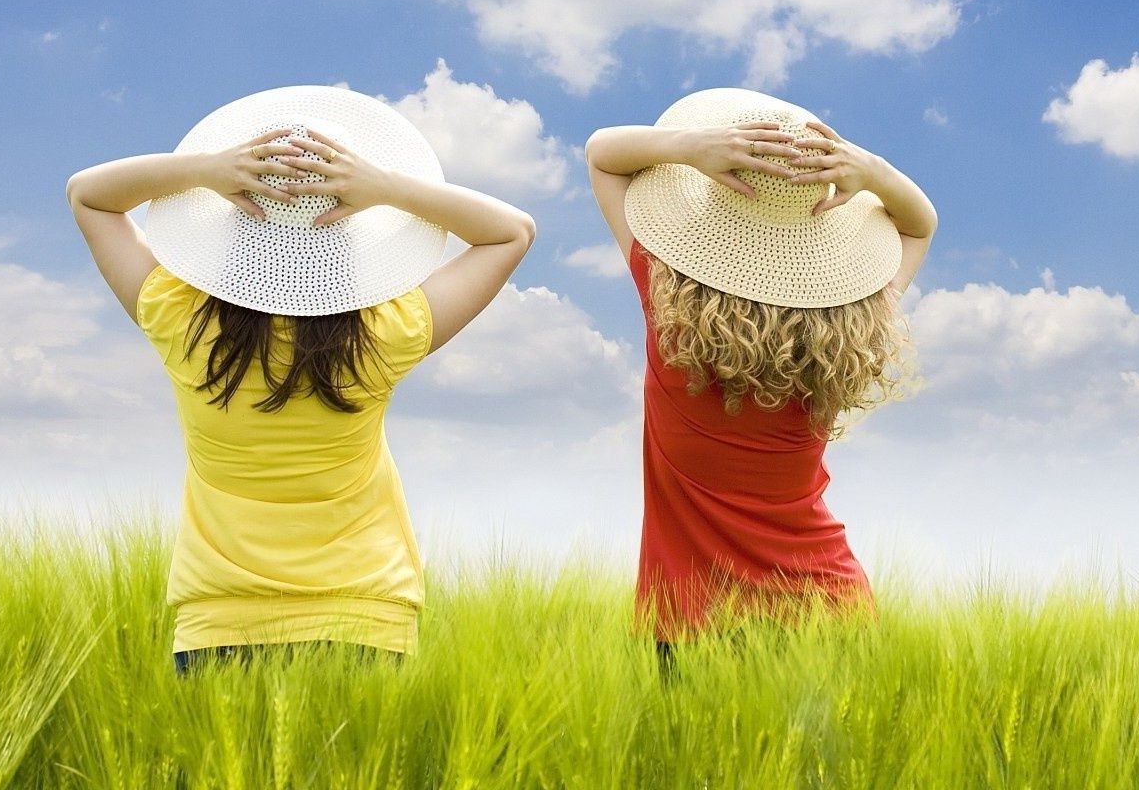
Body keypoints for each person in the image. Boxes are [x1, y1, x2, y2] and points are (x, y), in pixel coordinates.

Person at [66, 85, 535, 672]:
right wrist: (386, 187)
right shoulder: (385, 332)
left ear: (234, 232)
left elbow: (88, 197)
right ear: (346, 241)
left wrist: (207, 170)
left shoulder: (178, 319)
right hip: (366, 618)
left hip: (218, 622)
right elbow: (511, 231)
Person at [585, 87, 936, 669]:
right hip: (829, 610)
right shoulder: (853, 323)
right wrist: (869, 169)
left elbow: (602, 153)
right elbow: (919, 226)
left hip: (691, 619)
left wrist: (692, 149)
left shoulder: (668, 307)